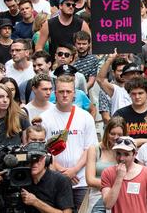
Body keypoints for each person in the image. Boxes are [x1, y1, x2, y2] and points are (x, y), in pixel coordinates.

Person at [41, 74, 98, 209]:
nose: (65, 95)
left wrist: (74, 170)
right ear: (55, 93)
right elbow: (43, 150)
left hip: (81, 180)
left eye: (68, 91)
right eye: (61, 91)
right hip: (55, 178)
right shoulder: (44, 118)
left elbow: (90, 148)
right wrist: (61, 171)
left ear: (75, 94)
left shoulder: (85, 117)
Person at [101, 136, 147, 213]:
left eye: (126, 154)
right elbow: (108, 205)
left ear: (135, 154)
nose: (121, 158)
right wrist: (119, 178)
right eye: (118, 153)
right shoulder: (107, 173)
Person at [86, 116, 126, 213]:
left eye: (119, 134)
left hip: (120, 197)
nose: (116, 137)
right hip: (97, 196)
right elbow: (90, 180)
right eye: (112, 133)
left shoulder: (126, 150)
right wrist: (112, 186)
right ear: (106, 132)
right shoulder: (95, 149)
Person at [0, 84, 29, 148]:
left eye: (8, 97)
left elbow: (26, 144)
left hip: (17, 155)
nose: (5, 100)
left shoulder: (21, 116)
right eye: (0, 97)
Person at [113, 76, 147, 145]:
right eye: (133, 94)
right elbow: (114, 138)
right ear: (129, 94)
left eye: (140, 93)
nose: (137, 97)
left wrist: (137, 141)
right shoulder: (120, 114)